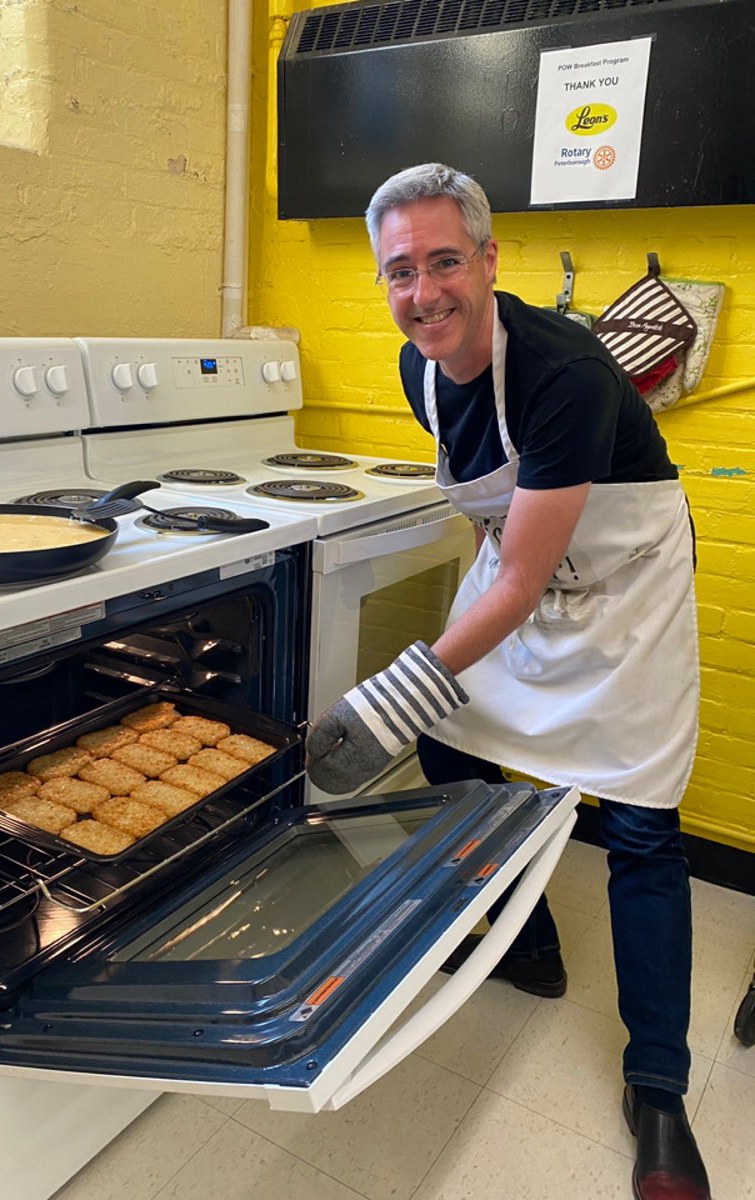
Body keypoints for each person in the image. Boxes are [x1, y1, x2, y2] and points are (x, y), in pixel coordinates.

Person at [306, 163, 709, 1200]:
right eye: (400, 271)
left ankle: (656, 1084)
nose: (424, 291)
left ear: (488, 261)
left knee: (641, 828)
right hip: (524, 574)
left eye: (445, 261)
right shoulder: (419, 367)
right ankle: (527, 940)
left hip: (621, 593)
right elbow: (509, 537)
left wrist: (380, 702)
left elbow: (528, 577)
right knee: (456, 745)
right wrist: (420, 702)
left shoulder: (562, 371)